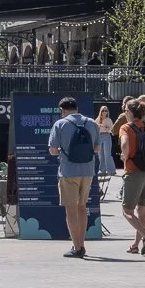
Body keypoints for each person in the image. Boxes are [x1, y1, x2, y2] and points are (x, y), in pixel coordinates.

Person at [46, 96, 101, 259]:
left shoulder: (60, 124)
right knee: (82, 207)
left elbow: (53, 150)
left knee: (70, 210)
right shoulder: (91, 123)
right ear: (76, 108)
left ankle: (77, 247)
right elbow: (97, 148)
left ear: (62, 110)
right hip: (88, 171)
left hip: (68, 171)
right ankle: (81, 243)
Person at [118, 102, 145, 255]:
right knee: (142, 209)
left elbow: (125, 143)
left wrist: (125, 156)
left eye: (125, 110)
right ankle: (135, 245)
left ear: (130, 112)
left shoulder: (126, 127)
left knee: (127, 211)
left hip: (134, 172)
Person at [93, 105, 117, 186]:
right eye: (103, 110)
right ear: (101, 111)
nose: (104, 112)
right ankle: (102, 170)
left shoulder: (108, 120)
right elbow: (94, 128)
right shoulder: (97, 120)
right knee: (100, 155)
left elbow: (110, 129)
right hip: (99, 136)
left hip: (106, 136)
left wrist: (104, 127)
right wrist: (100, 127)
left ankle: (111, 170)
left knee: (107, 154)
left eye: (106, 110)